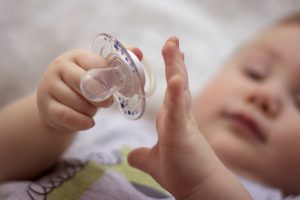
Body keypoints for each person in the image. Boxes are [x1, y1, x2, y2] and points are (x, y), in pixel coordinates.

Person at [1, 11, 300, 200]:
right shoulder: (114, 126)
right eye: (255, 72)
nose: (265, 96)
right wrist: (48, 122)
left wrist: (203, 184)